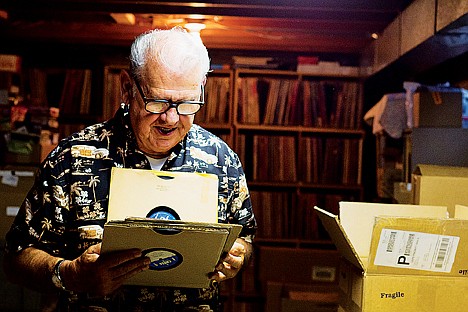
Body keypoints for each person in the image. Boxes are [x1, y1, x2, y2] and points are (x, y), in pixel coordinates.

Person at [3, 27, 257, 312]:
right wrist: (71, 275)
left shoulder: (222, 160)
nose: (171, 119)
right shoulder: (71, 159)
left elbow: (245, 241)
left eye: (187, 103)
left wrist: (238, 257)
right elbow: (15, 258)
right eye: (158, 101)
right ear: (126, 88)